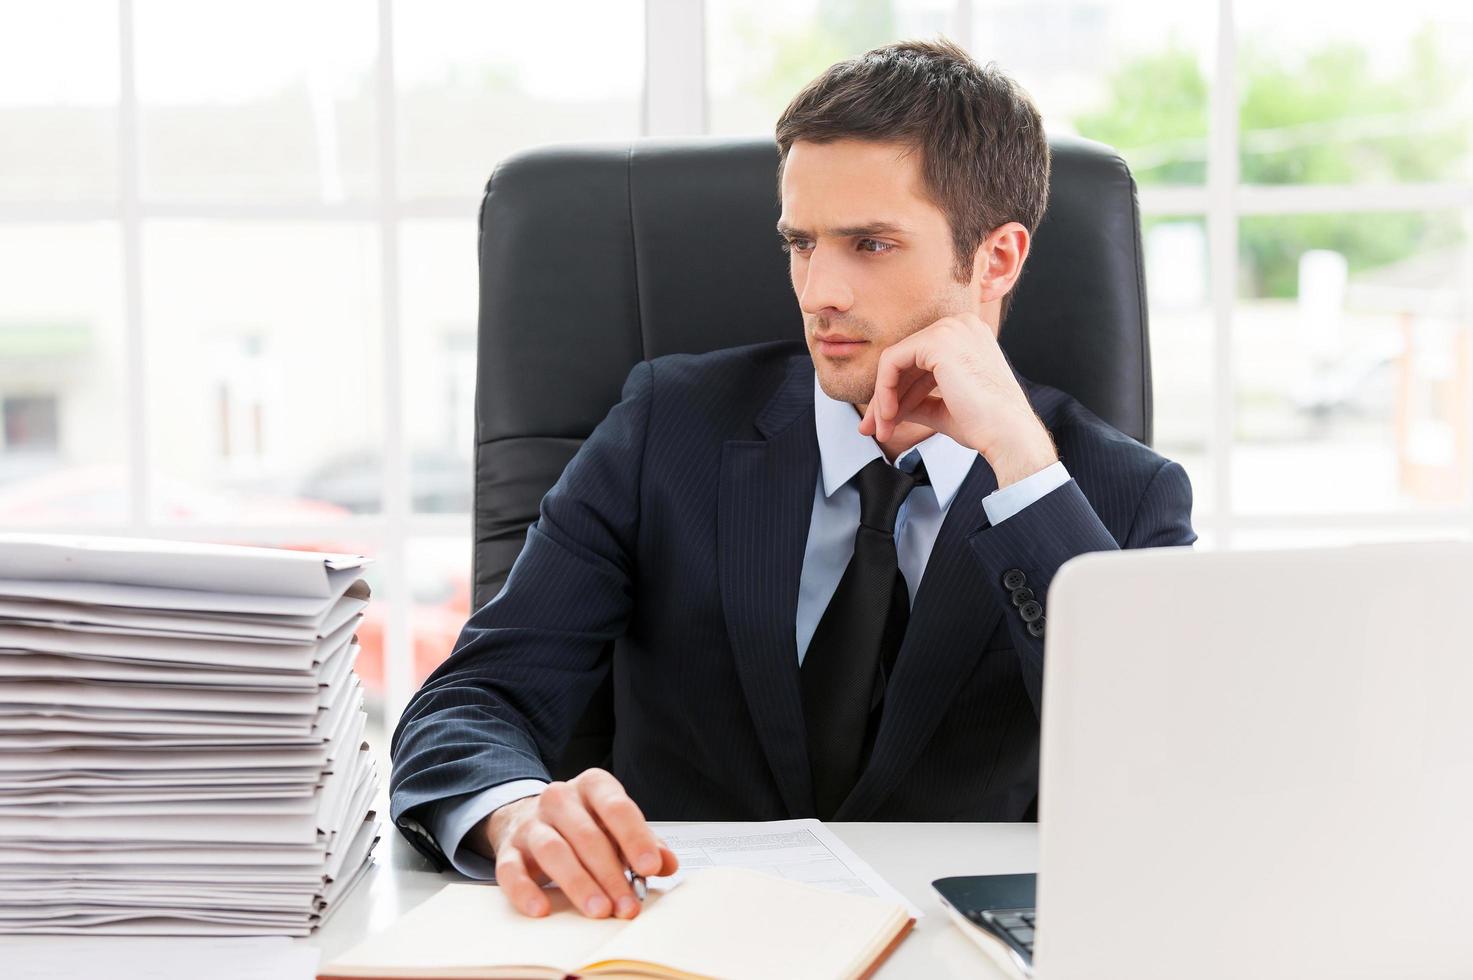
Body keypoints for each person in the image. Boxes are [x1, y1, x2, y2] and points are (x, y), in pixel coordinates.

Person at [390, 37, 1195, 923]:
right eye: (801, 243)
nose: (818, 291)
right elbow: (471, 701)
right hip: (677, 935)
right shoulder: (668, 427)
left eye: (870, 244)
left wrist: (1023, 466)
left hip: (954, 949)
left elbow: (1170, 766)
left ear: (996, 259)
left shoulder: (1121, 497)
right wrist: (513, 815)